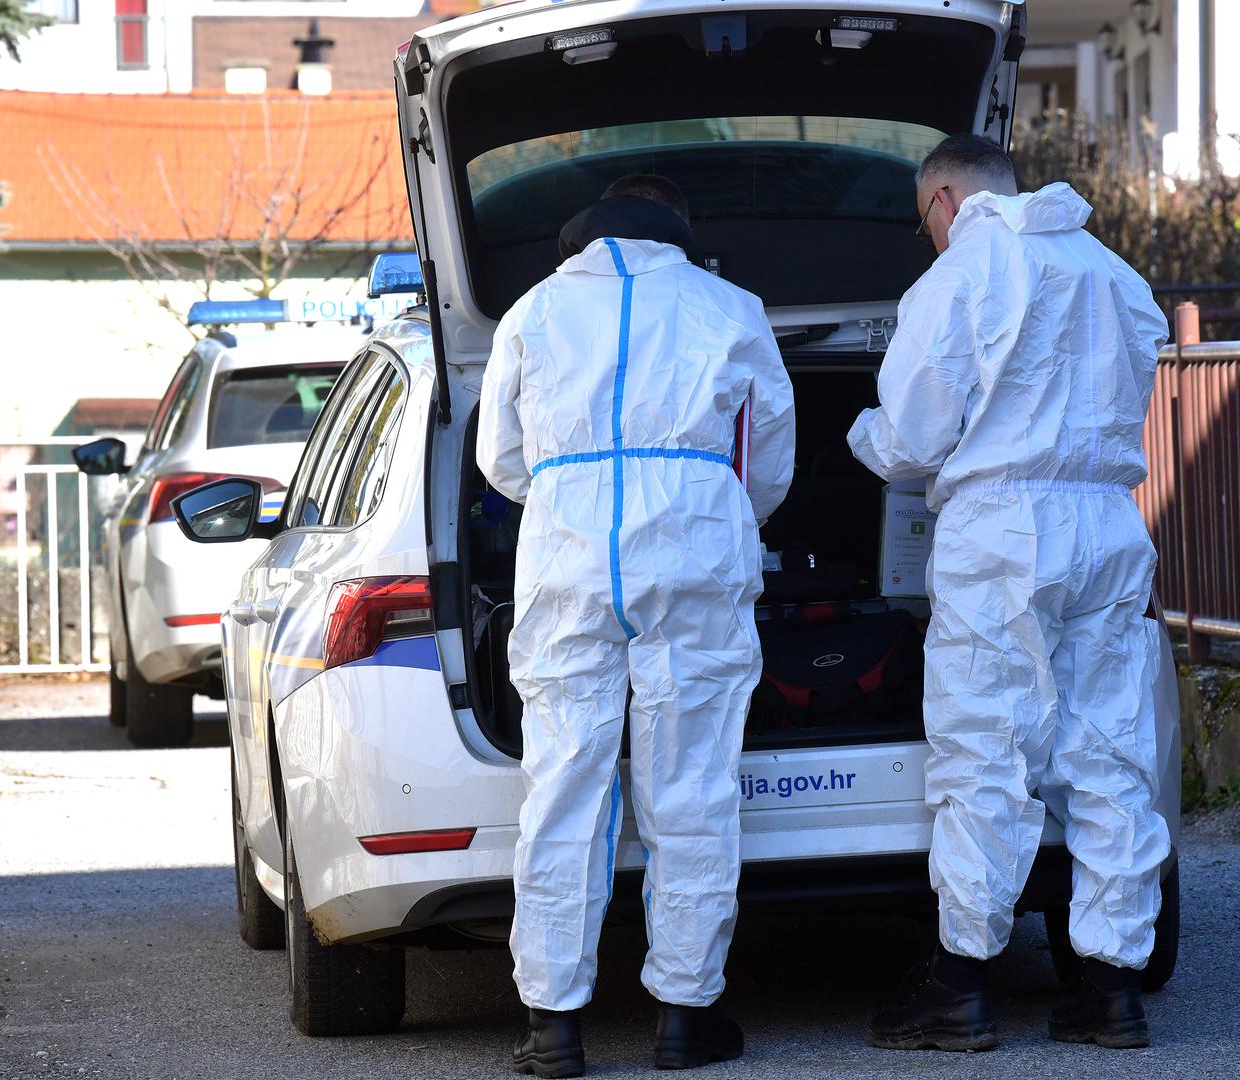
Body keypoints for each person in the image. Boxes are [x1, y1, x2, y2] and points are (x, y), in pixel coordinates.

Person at [847, 135, 1172, 1051]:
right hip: (1109, 519)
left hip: (1001, 530)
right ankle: (1110, 988)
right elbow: (1135, 373)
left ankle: (958, 983)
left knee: (986, 748)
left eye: (924, 227)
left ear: (943, 201)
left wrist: (859, 441)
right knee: (1109, 753)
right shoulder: (1111, 270)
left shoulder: (960, 276)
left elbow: (912, 436)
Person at [477, 174, 796, 1077]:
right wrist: (719, 504)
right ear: (679, 228)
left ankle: (552, 1029)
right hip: (694, 538)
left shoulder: (531, 311)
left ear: (586, 232)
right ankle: (686, 1019)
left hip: (568, 547)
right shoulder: (730, 305)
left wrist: (571, 486)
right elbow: (769, 455)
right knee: (689, 782)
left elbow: (499, 460)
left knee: (565, 781)